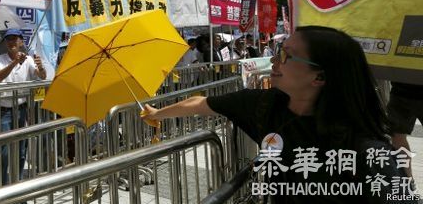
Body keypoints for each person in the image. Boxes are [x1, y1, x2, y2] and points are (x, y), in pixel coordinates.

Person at [142, 26, 416, 203]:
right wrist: (158, 113)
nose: (273, 60)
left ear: (319, 77)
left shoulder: (367, 151)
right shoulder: (263, 105)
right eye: (276, 51)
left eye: (285, 55)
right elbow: (201, 103)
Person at [0, 28, 46, 186]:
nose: (11, 42)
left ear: (21, 41)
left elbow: (41, 77)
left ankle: (18, 186)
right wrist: (15, 61)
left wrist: (41, 67)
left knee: (21, 151)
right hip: (3, 111)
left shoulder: (29, 60)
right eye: (9, 39)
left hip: (21, 110)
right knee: (3, 153)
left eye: (15, 39)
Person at [386, 81, 423, 177]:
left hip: (400, 89)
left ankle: (407, 181)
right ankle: (407, 181)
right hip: (400, 91)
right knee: (397, 138)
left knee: (397, 138)